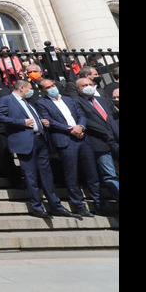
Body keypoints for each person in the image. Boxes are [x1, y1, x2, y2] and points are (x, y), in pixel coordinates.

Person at [0, 80, 79, 220]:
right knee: (31, 175)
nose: (31, 91)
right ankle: (37, 206)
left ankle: (55, 205)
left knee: (46, 174)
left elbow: (33, 116)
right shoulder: (7, 100)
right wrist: (22, 122)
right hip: (25, 141)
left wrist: (41, 121)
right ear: (21, 88)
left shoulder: (28, 102)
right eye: (29, 88)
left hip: (40, 140)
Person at [34, 79, 103, 218]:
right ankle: (79, 205)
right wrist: (70, 129)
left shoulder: (69, 99)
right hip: (65, 140)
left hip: (82, 138)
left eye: (53, 85)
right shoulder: (42, 103)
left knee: (92, 173)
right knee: (71, 174)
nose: (52, 88)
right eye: (48, 87)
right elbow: (49, 121)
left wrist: (81, 127)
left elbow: (81, 114)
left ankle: (99, 203)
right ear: (42, 90)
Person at [73, 78, 119, 205]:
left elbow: (114, 117)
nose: (89, 87)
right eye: (85, 85)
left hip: (115, 141)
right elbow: (87, 121)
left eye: (90, 84)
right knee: (109, 174)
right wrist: (109, 132)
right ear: (78, 89)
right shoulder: (76, 102)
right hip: (99, 143)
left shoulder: (103, 100)